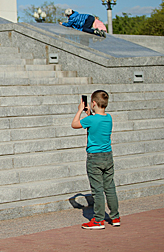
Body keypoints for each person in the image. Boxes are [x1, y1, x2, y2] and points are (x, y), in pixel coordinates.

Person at [71, 90, 120, 229]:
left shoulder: (90, 120)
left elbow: (74, 124)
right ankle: (115, 217)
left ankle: (98, 220)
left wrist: (80, 110)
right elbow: (97, 122)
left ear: (93, 103)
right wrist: (89, 114)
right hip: (107, 156)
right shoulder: (109, 117)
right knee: (110, 187)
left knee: (97, 189)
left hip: (94, 158)